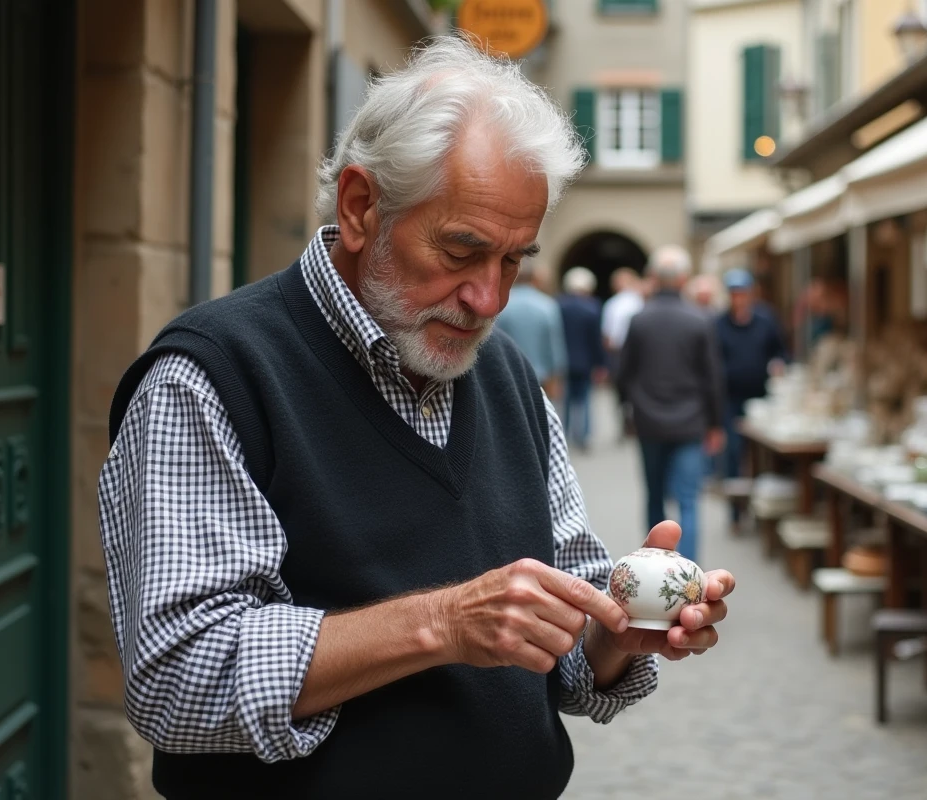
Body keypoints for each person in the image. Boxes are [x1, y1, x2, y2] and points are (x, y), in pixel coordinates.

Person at [97, 38, 735, 800]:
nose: (488, 299)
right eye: (462, 251)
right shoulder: (211, 376)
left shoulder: (504, 373)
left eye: (512, 261)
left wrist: (610, 636)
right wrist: (444, 623)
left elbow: (561, 645)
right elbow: (177, 679)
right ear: (361, 206)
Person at [617, 245, 725, 563]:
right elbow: (713, 378)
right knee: (689, 500)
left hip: (649, 420)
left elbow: (623, 374)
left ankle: (655, 572)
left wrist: (628, 410)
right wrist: (716, 424)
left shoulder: (640, 320)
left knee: (654, 497)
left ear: (654, 278)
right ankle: (688, 574)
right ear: (683, 279)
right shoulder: (700, 320)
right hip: (691, 421)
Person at [715, 269, 789, 513]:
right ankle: (736, 511)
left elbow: (780, 350)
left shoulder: (765, 319)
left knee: (761, 454)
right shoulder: (719, 324)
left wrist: (779, 363)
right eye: (734, 294)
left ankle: (761, 507)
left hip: (760, 397)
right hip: (731, 397)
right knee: (734, 453)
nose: (739, 298)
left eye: (743, 293)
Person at [497, 257, 567, 402]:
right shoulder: (547, 305)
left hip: (505, 373)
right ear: (534, 278)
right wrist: (556, 376)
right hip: (539, 375)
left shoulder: (502, 305)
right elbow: (554, 344)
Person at [556, 266, 606, 451]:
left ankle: (565, 435)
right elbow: (596, 339)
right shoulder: (592, 307)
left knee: (566, 400)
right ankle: (583, 436)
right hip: (585, 362)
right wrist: (601, 363)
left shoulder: (559, 305)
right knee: (584, 400)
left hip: (564, 360)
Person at [601, 266, 644, 438]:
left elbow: (607, 336)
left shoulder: (612, 304)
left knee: (620, 389)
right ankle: (635, 419)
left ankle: (625, 419)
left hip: (618, 352)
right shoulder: (639, 301)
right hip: (639, 352)